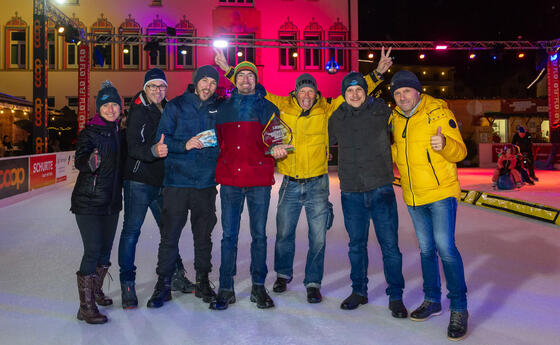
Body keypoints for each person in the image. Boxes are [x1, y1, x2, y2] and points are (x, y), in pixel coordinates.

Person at [213, 48, 390, 303]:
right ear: (294, 92)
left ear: (316, 93)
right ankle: (283, 275)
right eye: (302, 91)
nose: (306, 95)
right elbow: (251, 90)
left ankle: (313, 282)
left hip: (318, 182)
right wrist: (229, 70)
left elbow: (353, 96)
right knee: (284, 233)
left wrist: (377, 73)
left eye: (310, 91)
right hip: (291, 182)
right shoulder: (282, 105)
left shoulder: (326, 108)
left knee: (317, 237)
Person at [389, 70, 469, 341]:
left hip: (440, 193)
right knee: (425, 250)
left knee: (445, 248)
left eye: (406, 91)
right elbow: (397, 152)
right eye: (397, 93)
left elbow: (461, 151)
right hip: (413, 196)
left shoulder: (438, 112)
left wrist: (445, 143)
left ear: (417, 91)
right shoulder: (396, 120)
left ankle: (459, 307)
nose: (402, 97)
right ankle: (432, 300)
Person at [209, 61, 290, 310]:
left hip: (258, 181)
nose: (246, 79)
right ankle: (225, 288)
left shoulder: (267, 107)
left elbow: (277, 139)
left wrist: (277, 149)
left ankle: (258, 287)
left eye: (250, 76)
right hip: (231, 180)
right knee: (229, 236)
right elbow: (217, 141)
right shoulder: (222, 109)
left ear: (256, 80)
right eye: (241, 75)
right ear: (235, 80)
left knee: (259, 236)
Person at [328, 72, 407, 317]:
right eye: (349, 90)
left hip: (381, 188)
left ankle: (396, 296)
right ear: (344, 94)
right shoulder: (337, 117)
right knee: (356, 246)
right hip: (351, 191)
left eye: (359, 90)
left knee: (390, 246)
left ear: (366, 92)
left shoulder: (381, 111)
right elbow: (323, 143)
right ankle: (359, 291)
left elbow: (405, 125)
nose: (354, 94)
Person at [118, 68, 195, 310]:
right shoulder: (139, 110)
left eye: (162, 87)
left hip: (162, 183)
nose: (158, 91)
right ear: (145, 88)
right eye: (153, 86)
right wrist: (153, 151)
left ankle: (176, 274)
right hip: (139, 182)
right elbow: (133, 147)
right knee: (132, 232)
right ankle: (127, 283)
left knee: (168, 232)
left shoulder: (167, 109)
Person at [146, 66, 222, 308]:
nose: (207, 86)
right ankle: (164, 284)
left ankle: (202, 281)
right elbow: (162, 138)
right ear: (196, 82)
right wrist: (184, 144)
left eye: (212, 82)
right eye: (204, 81)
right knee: (169, 237)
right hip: (177, 183)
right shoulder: (176, 105)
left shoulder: (219, 108)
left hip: (205, 184)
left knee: (203, 236)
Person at [70, 81, 125, 324]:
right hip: (89, 202)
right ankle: (85, 306)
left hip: (111, 202)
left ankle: (96, 291)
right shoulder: (90, 131)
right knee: (92, 251)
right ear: (99, 108)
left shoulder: (118, 132)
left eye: (115, 104)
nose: (111, 109)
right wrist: (89, 161)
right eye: (107, 105)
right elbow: (80, 159)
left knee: (104, 251)